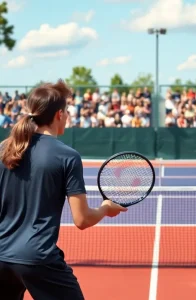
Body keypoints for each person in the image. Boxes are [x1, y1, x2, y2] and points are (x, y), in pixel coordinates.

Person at [0, 80, 128, 299]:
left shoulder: (4, 149)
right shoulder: (67, 156)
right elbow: (82, 219)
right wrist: (106, 208)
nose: (68, 116)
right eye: (67, 111)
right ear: (59, 115)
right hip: (37, 257)